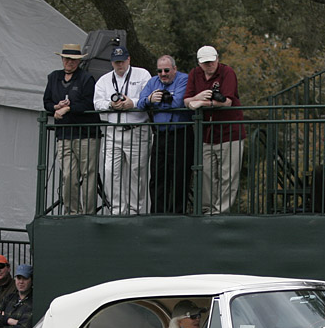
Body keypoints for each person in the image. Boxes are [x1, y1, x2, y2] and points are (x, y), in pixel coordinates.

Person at [183, 45, 246, 214]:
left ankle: (221, 211)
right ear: (199, 63)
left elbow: (227, 101)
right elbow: (187, 100)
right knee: (206, 174)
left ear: (217, 59)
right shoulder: (194, 74)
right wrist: (198, 97)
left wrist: (203, 103)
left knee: (228, 175)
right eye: (205, 63)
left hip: (229, 133)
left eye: (212, 61)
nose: (209, 65)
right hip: (206, 134)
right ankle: (206, 209)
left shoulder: (227, 73)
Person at [43, 43, 102, 214]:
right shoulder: (54, 77)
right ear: (62, 59)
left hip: (86, 134)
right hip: (64, 134)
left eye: (74, 59)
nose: (70, 62)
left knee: (88, 175)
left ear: (79, 61)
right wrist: (56, 107)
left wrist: (68, 108)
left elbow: (88, 103)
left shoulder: (86, 78)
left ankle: (88, 213)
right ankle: (72, 212)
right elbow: (46, 102)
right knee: (68, 176)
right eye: (67, 59)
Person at [94, 45, 152, 215]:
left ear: (129, 59)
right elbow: (97, 103)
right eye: (116, 62)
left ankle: (136, 211)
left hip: (136, 129)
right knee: (110, 171)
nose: (119, 65)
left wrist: (132, 103)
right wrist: (111, 105)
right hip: (113, 131)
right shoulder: (104, 80)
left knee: (137, 172)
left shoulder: (142, 75)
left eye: (122, 61)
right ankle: (117, 210)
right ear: (111, 62)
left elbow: (147, 98)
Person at [138, 55, 192, 214]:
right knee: (157, 175)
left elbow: (177, 103)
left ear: (174, 69)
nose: (163, 74)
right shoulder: (153, 82)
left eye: (167, 70)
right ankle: (157, 213)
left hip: (180, 133)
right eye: (160, 70)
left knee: (179, 175)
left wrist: (156, 101)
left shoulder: (183, 79)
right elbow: (140, 103)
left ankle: (177, 212)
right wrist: (149, 99)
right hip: (160, 135)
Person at [0, 264, 34, 328]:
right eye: (19, 278)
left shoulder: (33, 302)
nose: (21, 282)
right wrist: (8, 320)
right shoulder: (8, 298)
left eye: (25, 278)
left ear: (31, 280)